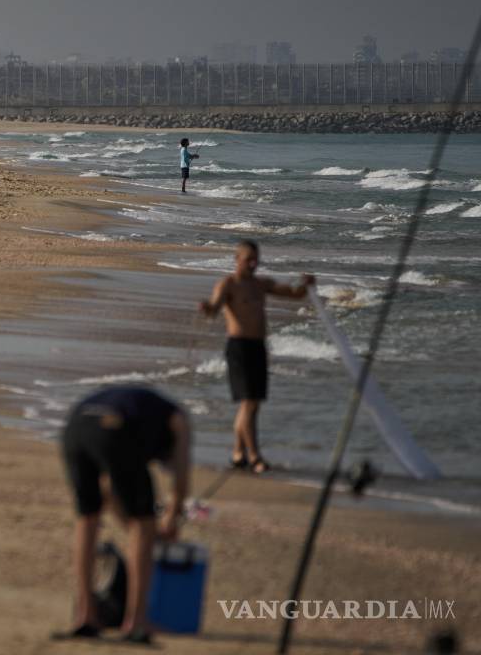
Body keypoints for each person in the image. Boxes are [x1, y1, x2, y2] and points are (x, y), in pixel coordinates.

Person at [60, 383, 190, 644]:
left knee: (87, 519)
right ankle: (136, 622)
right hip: (114, 427)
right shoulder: (179, 419)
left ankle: (86, 616)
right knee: (144, 523)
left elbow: (108, 491)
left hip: (76, 425)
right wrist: (168, 521)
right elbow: (180, 481)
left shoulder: (146, 415)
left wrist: (135, 529)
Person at [199, 239, 315, 474]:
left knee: (252, 405)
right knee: (249, 403)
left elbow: (295, 294)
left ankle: (237, 453)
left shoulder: (260, 284)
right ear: (237, 259)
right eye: (248, 259)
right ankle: (255, 457)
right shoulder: (228, 284)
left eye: (255, 259)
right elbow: (214, 308)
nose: (253, 264)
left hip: (258, 348)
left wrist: (306, 285)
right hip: (239, 347)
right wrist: (207, 309)